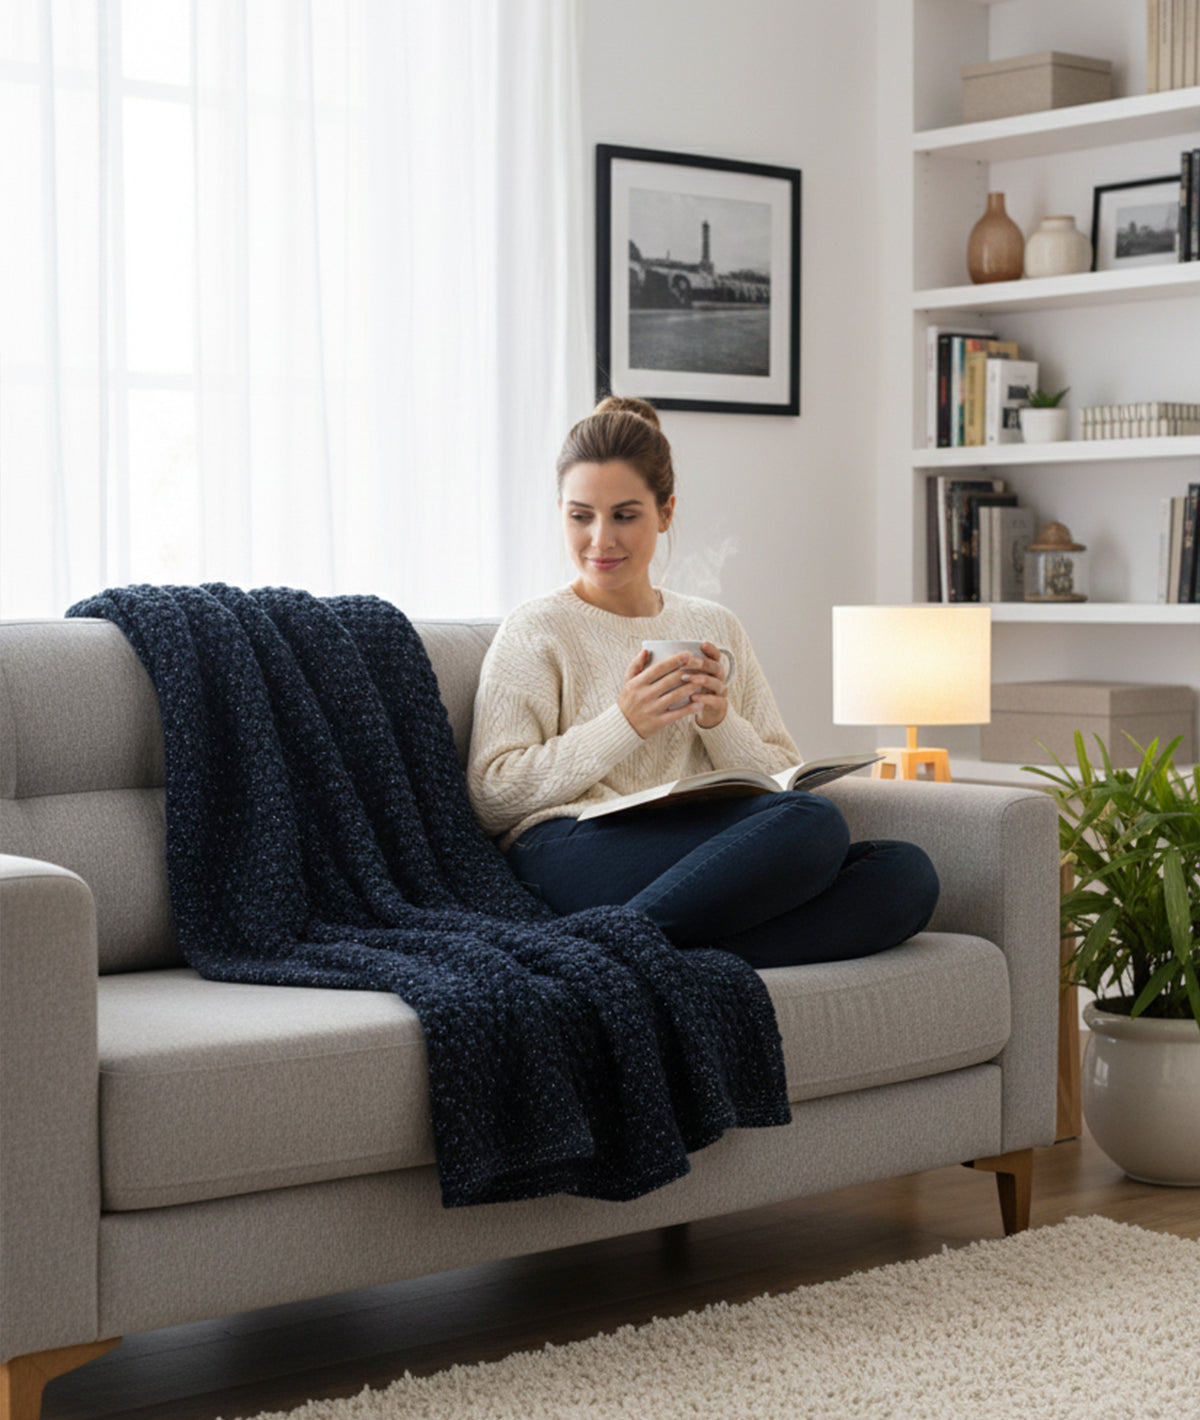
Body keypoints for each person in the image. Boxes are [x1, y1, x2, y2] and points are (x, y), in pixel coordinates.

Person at [466, 396, 939, 969]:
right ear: (560, 511)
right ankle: (622, 948)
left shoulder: (714, 626)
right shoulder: (537, 628)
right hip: (567, 848)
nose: (600, 540)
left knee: (904, 875)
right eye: (580, 515)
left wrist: (719, 721)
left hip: (689, 847)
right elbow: (492, 795)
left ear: (665, 513)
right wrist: (624, 724)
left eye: (624, 514)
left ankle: (651, 955)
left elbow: (781, 773)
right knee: (814, 826)